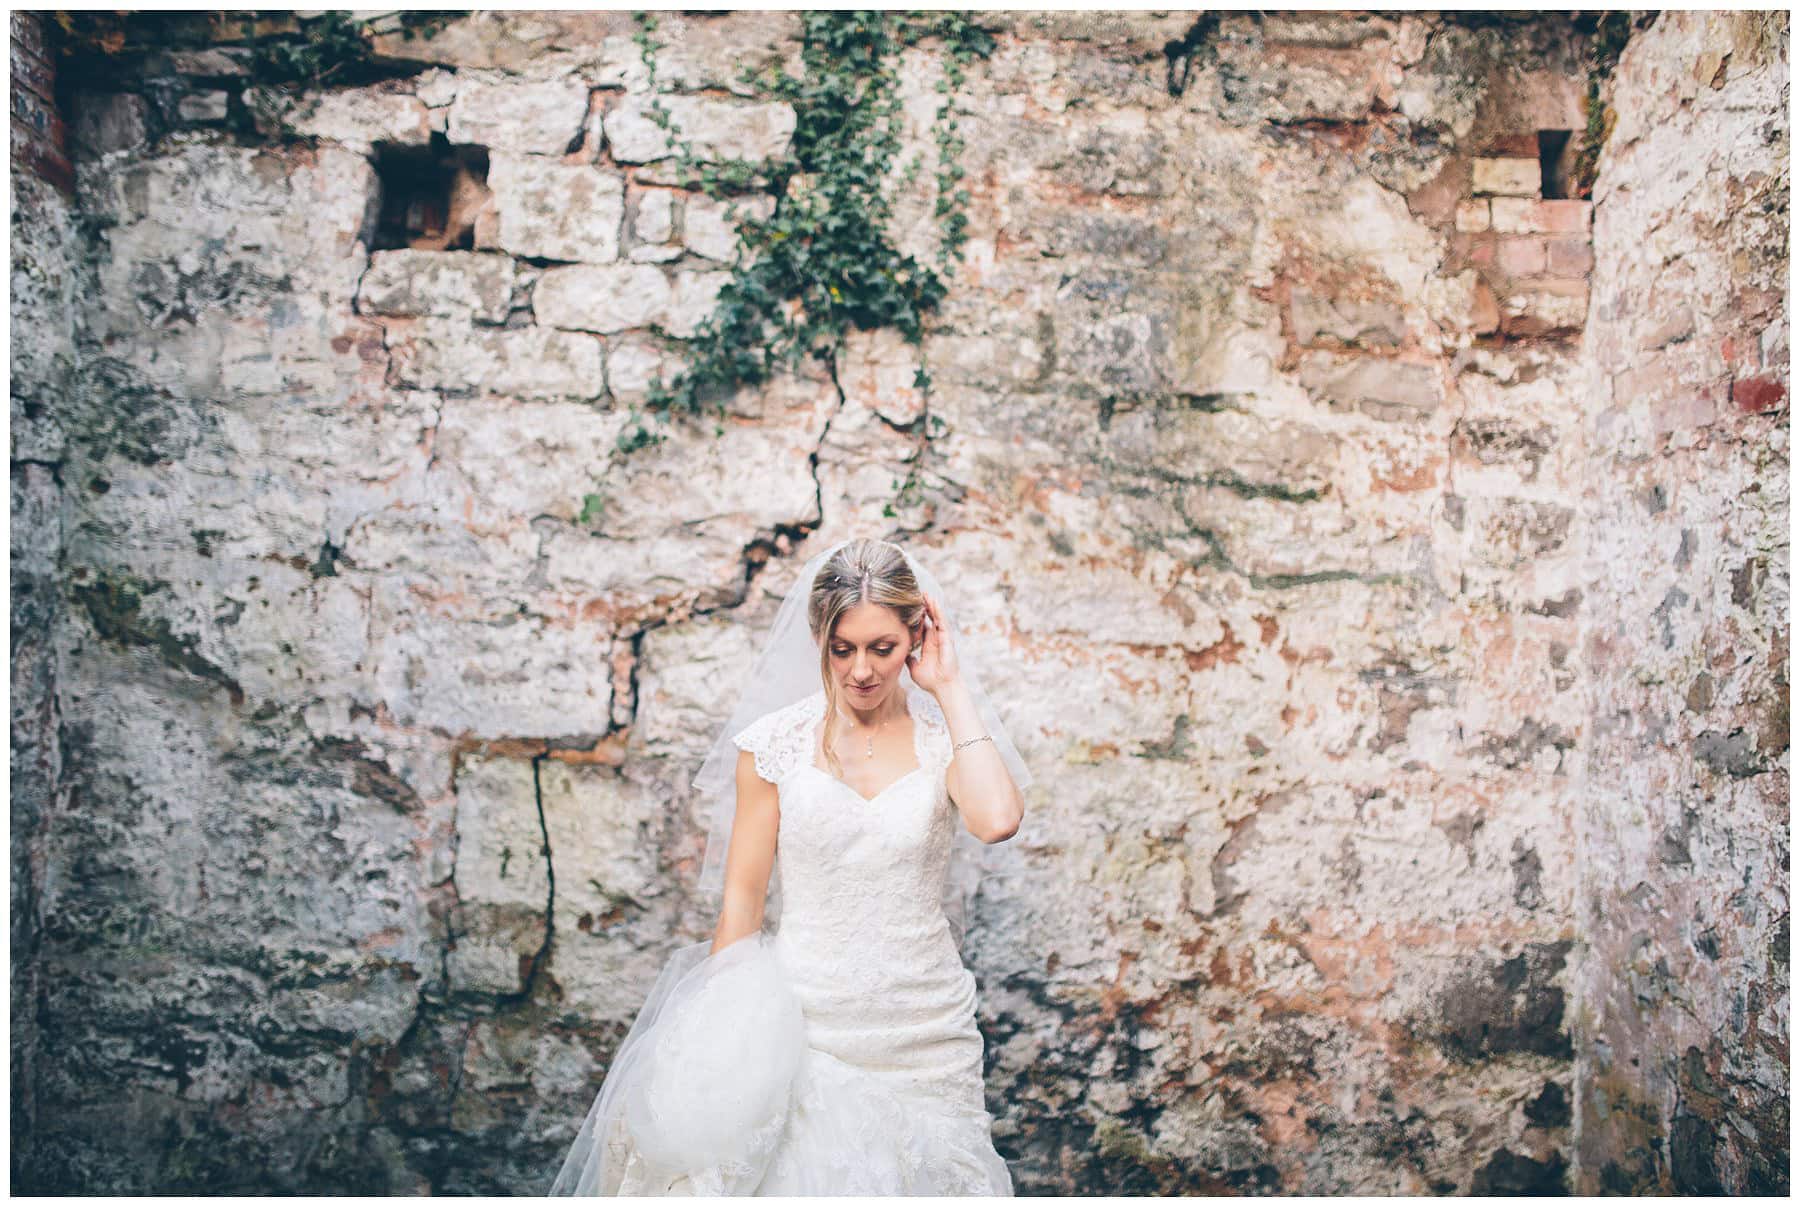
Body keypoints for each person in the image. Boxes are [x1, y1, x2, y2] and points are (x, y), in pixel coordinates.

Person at [549, 536, 1032, 1195]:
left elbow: (998, 818)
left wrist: (948, 686)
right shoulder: (773, 746)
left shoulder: (945, 738)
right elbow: (741, 906)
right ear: (820, 640)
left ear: (915, 637)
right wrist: (715, 1045)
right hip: (806, 1027)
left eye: (882, 647)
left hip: (925, 1034)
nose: (860, 669)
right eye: (843, 648)